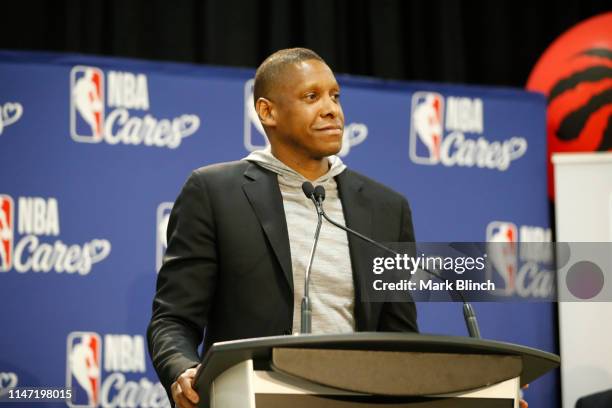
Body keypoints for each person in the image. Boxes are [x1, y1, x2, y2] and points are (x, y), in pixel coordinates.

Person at [147, 47, 418, 408]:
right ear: (267, 111)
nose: (331, 109)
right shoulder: (215, 193)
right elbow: (173, 319)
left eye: (335, 96)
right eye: (311, 96)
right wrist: (182, 369)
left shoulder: (387, 209)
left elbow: (399, 341)